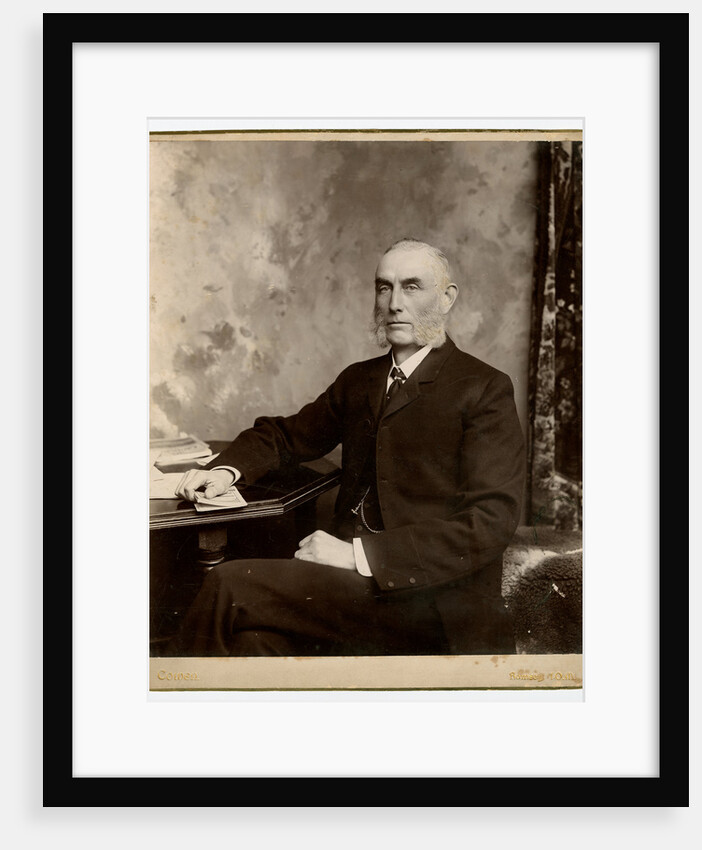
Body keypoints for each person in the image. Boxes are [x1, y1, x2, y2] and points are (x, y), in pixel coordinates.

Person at [167, 238, 525, 657]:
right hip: (350, 595)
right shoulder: (360, 380)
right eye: (383, 287)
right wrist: (225, 471)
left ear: (447, 298)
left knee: (228, 583)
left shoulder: (484, 388)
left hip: (431, 602)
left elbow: (489, 522)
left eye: (411, 287)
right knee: (254, 643)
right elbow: (286, 435)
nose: (393, 303)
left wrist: (359, 554)